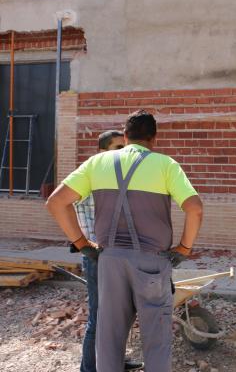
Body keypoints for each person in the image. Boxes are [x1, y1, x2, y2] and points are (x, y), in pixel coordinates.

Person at [46, 110, 203, 372]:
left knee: (109, 337)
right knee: (156, 339)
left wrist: (82, 243)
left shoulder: (97, 163)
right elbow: (195, 208)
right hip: (152, 262)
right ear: (154, 139)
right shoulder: (166, 165)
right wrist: (184, 247)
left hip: (109, 260)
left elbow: (56, 202)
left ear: (126, 134)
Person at [73, 130, 143, 372]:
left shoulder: (116, 176)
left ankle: (113, 363)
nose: (122, 153)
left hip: (118, 256)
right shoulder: (91, 174)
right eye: (116, 148)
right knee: (99, 317)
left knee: (118, 316)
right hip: (98, 256)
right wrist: (82, 243)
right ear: (102, 152)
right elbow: (60, 202)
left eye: (124, 148)